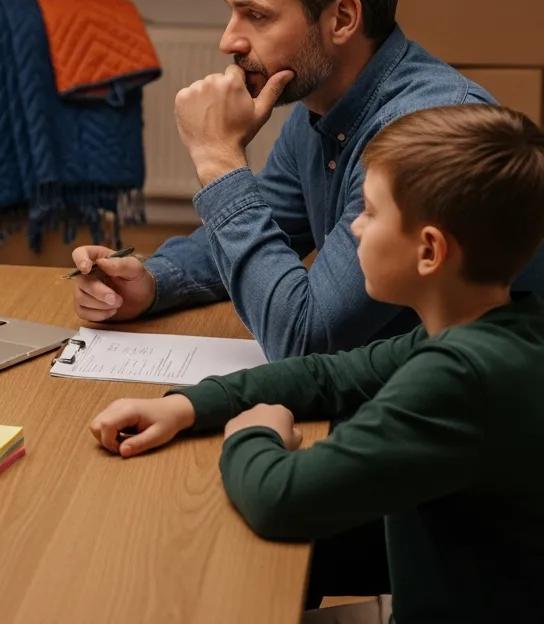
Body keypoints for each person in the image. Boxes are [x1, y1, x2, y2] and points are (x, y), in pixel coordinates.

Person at [90, 104, 544, 622]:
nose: (353, 227)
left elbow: (283, 500)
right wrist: (189, 406)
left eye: (370, 212)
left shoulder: (458, 379)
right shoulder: (497, 328)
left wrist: (252, 433)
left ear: (429, 251)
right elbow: (330, 374)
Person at [71, 0, 511, 359]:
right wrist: (154, 281)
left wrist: (218, 160)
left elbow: (303, 336)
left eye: (256, 15)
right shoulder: (321, 104)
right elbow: (269, 229)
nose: (228, 40)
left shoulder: (426, 135)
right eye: (232, 10)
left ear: (342, 18)